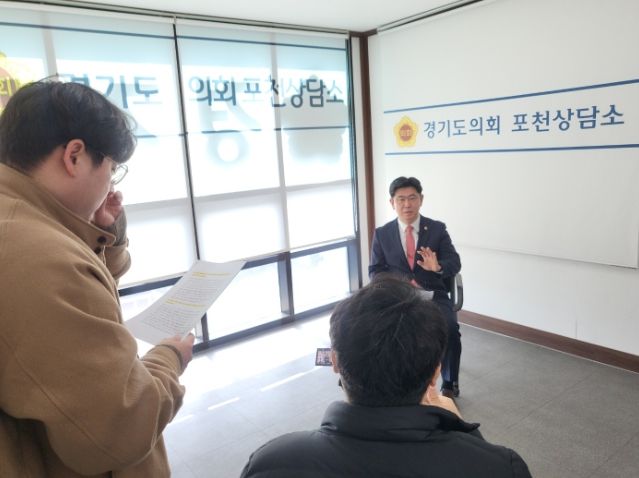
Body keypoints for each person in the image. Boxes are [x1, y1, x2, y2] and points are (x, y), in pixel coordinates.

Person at [0, 79, 195, 477]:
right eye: (111, 169)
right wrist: (169, 357)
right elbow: (120, 429)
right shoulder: (38, 256)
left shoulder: (19, 222)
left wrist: (101, 230)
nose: (110, 184)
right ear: (74, 156)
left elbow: (82, 294)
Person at [240, 276, 532, 478]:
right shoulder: (500, 468)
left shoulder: (270, 464)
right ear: (435, 372)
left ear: (335, 362)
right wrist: (462, 429)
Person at [369, 176, 462, 398]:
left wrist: (437, 266)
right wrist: (394, 284)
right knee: (381, 330)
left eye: (412, 198)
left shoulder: (437, 229)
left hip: (432, 294)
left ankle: (450, 383)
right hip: (398, 295)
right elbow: (375, 270)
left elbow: (454, 262)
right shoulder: (382, 234)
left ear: (421, 199)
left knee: (450, 329)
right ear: (392, 202)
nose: (407, 204)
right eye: (401, 199)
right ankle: (394, 381)